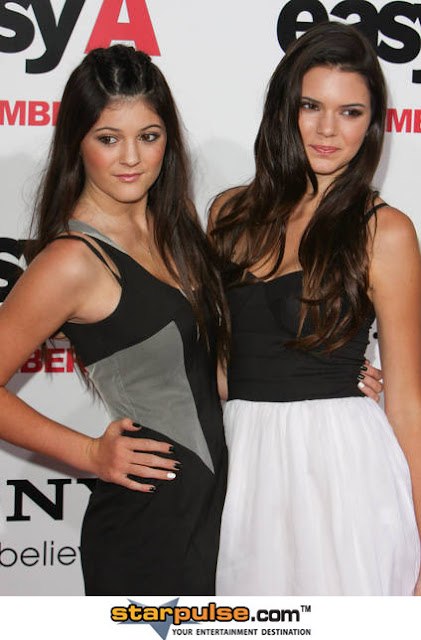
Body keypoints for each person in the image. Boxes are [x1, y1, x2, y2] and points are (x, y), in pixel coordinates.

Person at [0, 45, 230, 595]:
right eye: (108, 139)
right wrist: (88, 453)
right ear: (77, 143)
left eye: (148, 136)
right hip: (147, 528)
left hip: (217, 516)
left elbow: (215, 376)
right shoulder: (71, 261)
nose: (131, 158)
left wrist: (321, 381)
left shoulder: (176, 226)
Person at [209, 22, 421, 595]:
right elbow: (220, 366)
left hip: (341, 472)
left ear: (371, 125)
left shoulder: (385, 232)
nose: (329, 129)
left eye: (350, 112)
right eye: (311, 106)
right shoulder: (229, 216)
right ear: (285, 109)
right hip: (243, 464)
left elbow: (408, 405)